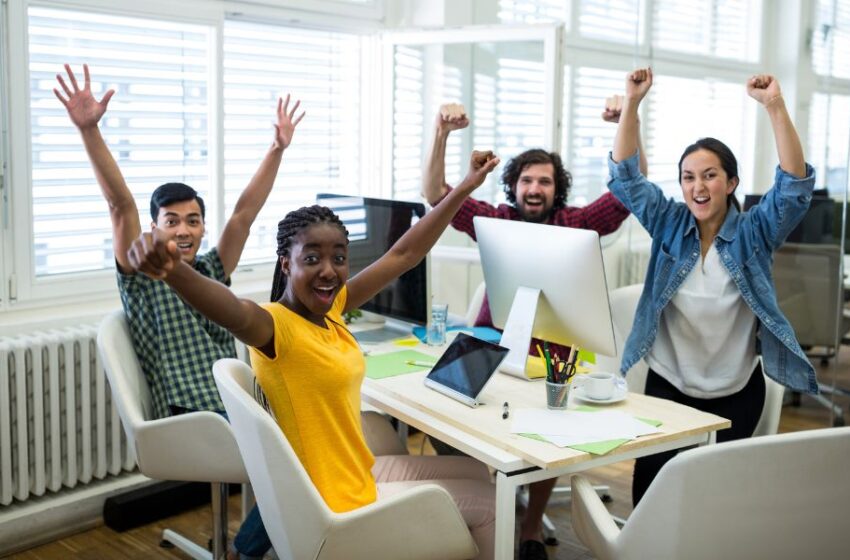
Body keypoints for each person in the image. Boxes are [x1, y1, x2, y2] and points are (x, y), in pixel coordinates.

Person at [126, 150, 504, 559]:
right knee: (491, 507)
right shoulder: (274, 327)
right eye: (312, 259)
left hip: (350, 472)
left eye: (338, 258)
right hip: (333, 499)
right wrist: (174, 270)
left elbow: (403, 255)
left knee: (473, 472)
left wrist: (464, 187)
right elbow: (229, 308)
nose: (329, 270)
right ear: (286, 264)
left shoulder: (333, 309)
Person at [54, 63, 304, 559]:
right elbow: (119, 203)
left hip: (233, 399)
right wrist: (90, 129)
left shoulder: (211, 267)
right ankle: (248, 550)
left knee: (314, 434)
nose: (184, 230)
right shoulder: (142, 274)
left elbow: (245, 213)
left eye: (193, 221)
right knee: (295, 459)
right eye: (172, 221)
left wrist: (277, 148)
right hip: (190, 412)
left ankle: (277, 537)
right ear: (155, 227)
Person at [422, 104, 647, 560]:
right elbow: (435, 196)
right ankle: (485, 501)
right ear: (514, 186)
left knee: (545, 433)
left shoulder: (576, 223)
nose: (535, 188)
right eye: (527, 180)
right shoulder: (497, 218)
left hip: (555, 350)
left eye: (544, 181)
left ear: (556, 188)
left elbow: (629, 190)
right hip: (490, 339)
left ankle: (527, 531)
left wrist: (629, 122)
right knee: (437, 412)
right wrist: (441, 134)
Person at [608, 68, 817, 506]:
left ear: (731, 183)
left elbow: (794, 188)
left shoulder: (755, 232)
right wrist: (632, 101)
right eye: (688, 177)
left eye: (709, 175)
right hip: (668, 386)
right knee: (652, 495)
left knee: (717, 502)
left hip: (735, 392)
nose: (697, 186)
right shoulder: (668, 222)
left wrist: (775, 106)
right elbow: (627, 179)